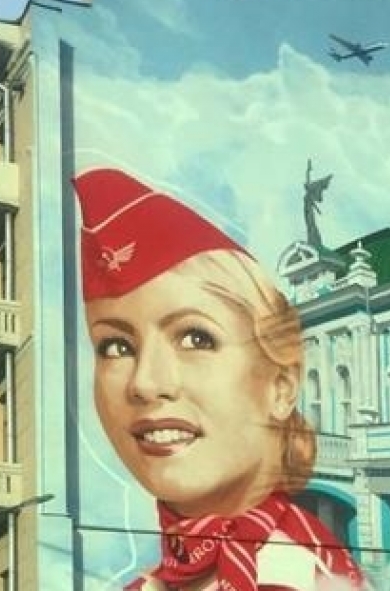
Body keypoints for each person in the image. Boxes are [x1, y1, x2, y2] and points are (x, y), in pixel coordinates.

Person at [73, 167, 365, 591]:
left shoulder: (319, 576)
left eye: (196, 338)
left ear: (281, 387)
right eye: (116, 346)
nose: (145, 383)